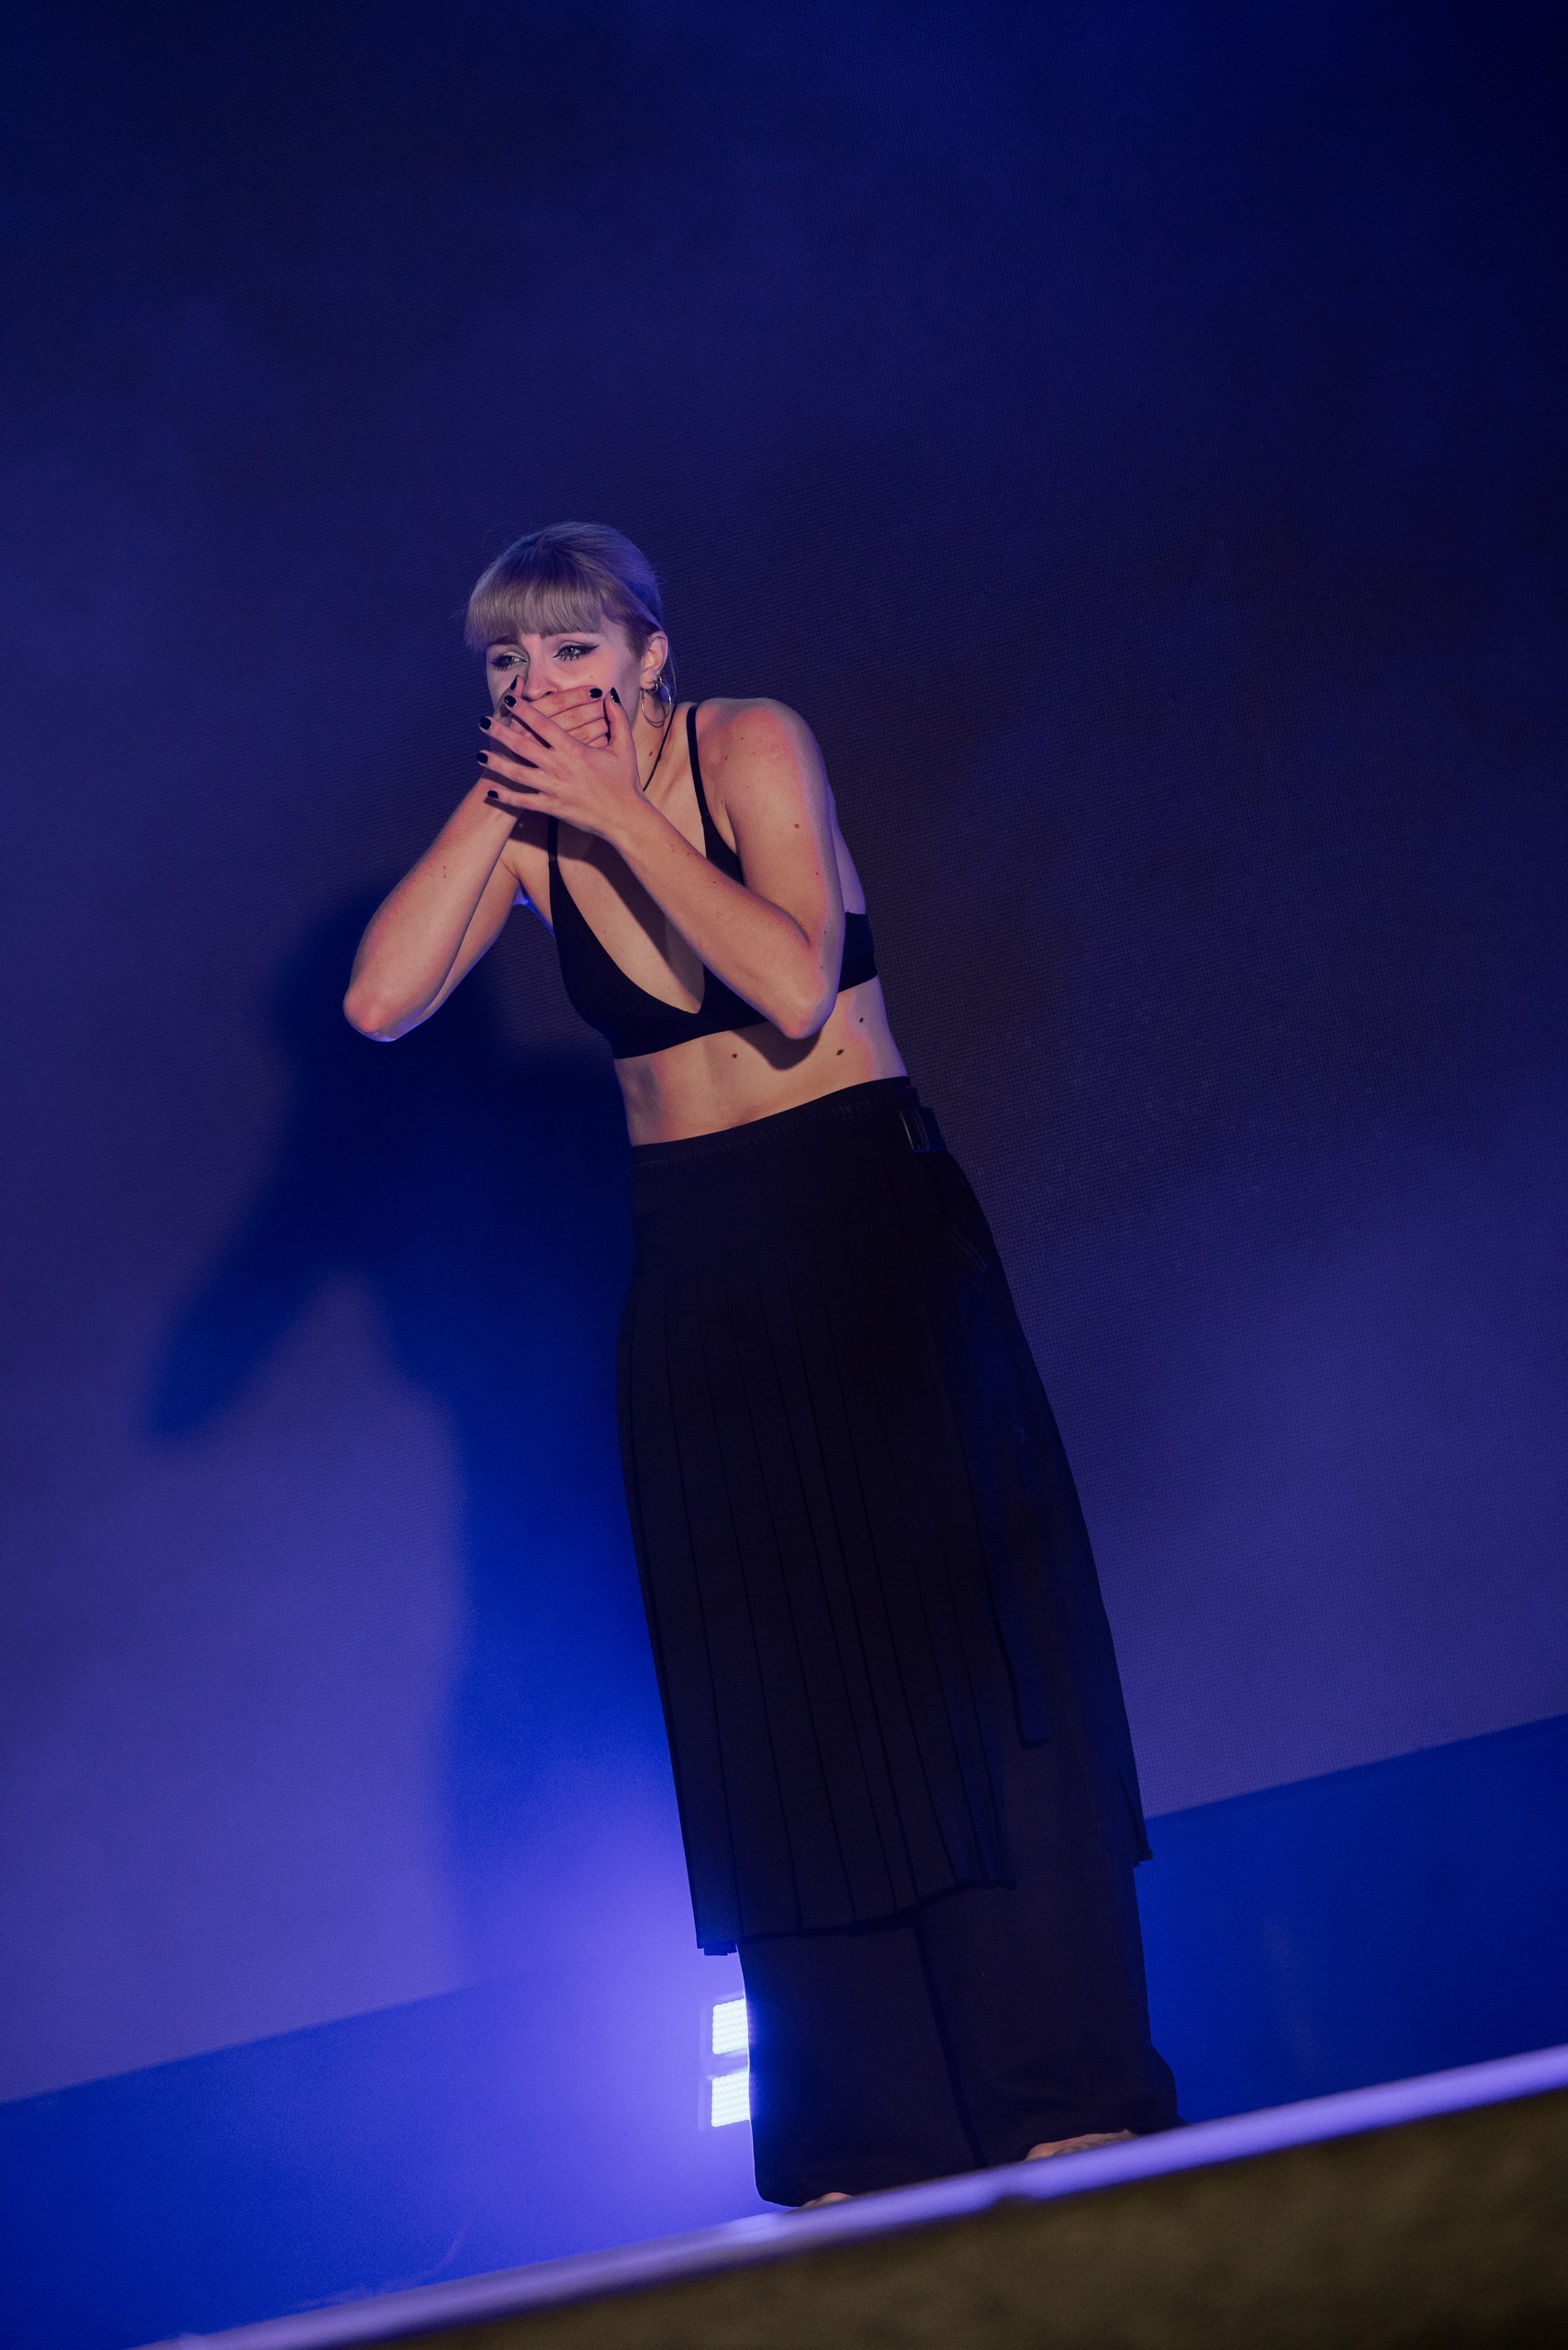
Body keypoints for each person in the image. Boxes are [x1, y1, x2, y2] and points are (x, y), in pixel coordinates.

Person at [344, 520, 1179, 2205]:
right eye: (508, 662)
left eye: (575, 649)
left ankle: (1062, 2087)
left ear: (651, 653)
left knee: (964, 1658)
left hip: (864, 1227)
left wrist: (619, 809)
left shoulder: (746, 745)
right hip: (702, 1264)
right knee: (778, 1694)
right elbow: (379, 1003)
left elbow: (793, 986)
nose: (541, 683)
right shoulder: (530, 820)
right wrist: (507, 798)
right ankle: (862, 2137)